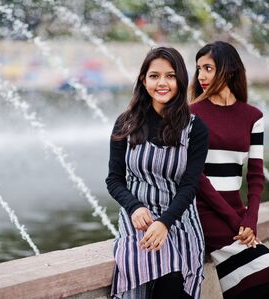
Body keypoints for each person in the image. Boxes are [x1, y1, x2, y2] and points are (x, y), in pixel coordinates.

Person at [106, 47, 208, 299]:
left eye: (170, 76)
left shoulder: (195, 128)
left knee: (174, 279)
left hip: (181, 219)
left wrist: (165, 222)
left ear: (180, 80)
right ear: (144, 80)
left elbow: (190, 185)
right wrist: (134, 207)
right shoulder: (125, 123)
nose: (162, 83)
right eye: (154, 76)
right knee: (148, 264)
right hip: (138, 222)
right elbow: (114, 179)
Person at [190, 41, 269, 299]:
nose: (201, 76)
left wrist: (250, 218)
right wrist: (235, 222)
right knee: (268, 270)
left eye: (208, 68)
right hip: (202, 209)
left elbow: (255, 175)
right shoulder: (191, 114)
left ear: (228, 69)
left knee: (267, 275)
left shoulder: (253, 116)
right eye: (199, 69)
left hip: (236, 210)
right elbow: (195, 176)